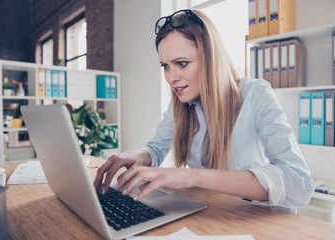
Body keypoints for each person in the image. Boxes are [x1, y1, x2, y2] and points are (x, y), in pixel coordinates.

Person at [94, 9, 314, 208]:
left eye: (181, 63)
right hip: (213, 211)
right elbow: (157, 148)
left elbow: (299, 182)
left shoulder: (255, 95)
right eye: (165, 66)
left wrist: (194, 177)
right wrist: (138, 156)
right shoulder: (181, 102)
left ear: (210, 59)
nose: (171, 78)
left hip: (257, 217)